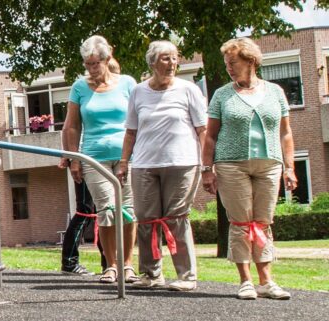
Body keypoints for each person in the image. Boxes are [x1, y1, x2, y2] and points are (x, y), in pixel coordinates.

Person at [202, 37, 295, 300]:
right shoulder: (222, 94)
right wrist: (207, 169)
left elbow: (286, 133)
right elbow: (210, 136)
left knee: (263, 221)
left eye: (233, 62)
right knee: (241, 222)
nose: (229, 68)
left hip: (269, 164)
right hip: (232, 164)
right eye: (226, 64)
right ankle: (245, 281)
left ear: (251, 61)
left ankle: (266, 281)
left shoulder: (275, 91)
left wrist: (289, 167)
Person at [119, 41, 207, 291]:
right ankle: (151, 274)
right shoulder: (138, 91)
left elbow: (202, 130)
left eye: (175, 58)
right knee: (147, 220)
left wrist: (208, 163)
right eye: (166, 59)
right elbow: (130, 132)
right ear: (152, 63)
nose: (172, 64)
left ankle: (186, 276)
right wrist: (124, 161)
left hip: (182, 162)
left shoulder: (188, 90)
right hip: (145, 163)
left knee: (176, 217)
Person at [61, 35, 138, 284]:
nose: (92, 69)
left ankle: (128, 265)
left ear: (107, 59)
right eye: (88, 64)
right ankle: (111, 265)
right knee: (107, 210)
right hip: (94, 158)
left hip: (127, 156)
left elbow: (137, 121)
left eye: (96, 63)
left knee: (127, 210)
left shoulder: (127, 83)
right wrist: (74, 159)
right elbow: (72, 126)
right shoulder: (79, 87)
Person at [56, 59, 122, 276]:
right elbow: (69, 128)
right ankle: (70, 261)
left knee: (107, 210)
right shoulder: (85, 96)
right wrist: (69, 156)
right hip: (88, 159)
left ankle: (108, 262)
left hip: (105, 158)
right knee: (86, 210)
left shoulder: (115, 99)